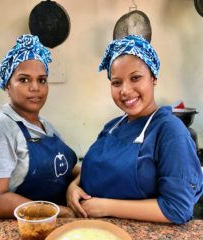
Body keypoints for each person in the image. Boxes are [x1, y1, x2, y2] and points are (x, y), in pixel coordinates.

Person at [67, 34, 203, 224]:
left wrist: (106, 207)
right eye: (116, 82)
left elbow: (178, 208)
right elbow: (95, 170)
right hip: (96, 233)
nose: (125, 90)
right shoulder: (113, 126)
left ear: (153, 77)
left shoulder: (170, 131)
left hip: (143, 239)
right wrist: (73, 186)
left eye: (135, 78)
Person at [0, 34, 78, 218]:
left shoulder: (46, 126)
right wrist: (59, 212)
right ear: (8, 85)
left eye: (41, 80)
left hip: (58, 225)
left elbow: (64, 169)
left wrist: (86, 172)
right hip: (25, 230)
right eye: (24, 80)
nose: (35, 88)